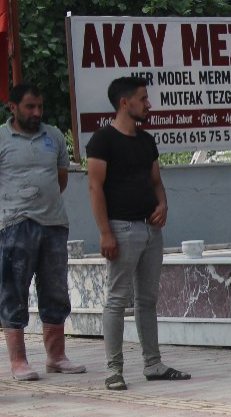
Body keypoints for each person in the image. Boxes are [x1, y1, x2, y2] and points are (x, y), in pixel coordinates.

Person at [86, 77, 189, 391]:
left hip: (149, 228)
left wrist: (163, 204)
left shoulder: (146, 141)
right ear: (124, 103)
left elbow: (156, 180)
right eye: (143, 99)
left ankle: (153, 363)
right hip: (121, 227)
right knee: (117, 299)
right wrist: (105, 232)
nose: (149, 104)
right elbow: (95, 187)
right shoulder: (103, 140)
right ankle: (113, 369)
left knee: (148, 300)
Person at [0, 83, 85, 380]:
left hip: (53, 225)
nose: (36, 113)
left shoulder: (54, 136)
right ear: (13, 107)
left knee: (56, 291)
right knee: (13, 291)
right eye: (29, 107)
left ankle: (56, 357)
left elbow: (60, 180)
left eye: (40, 107)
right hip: (14, 225)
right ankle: (18, 362)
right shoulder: (1, 138)